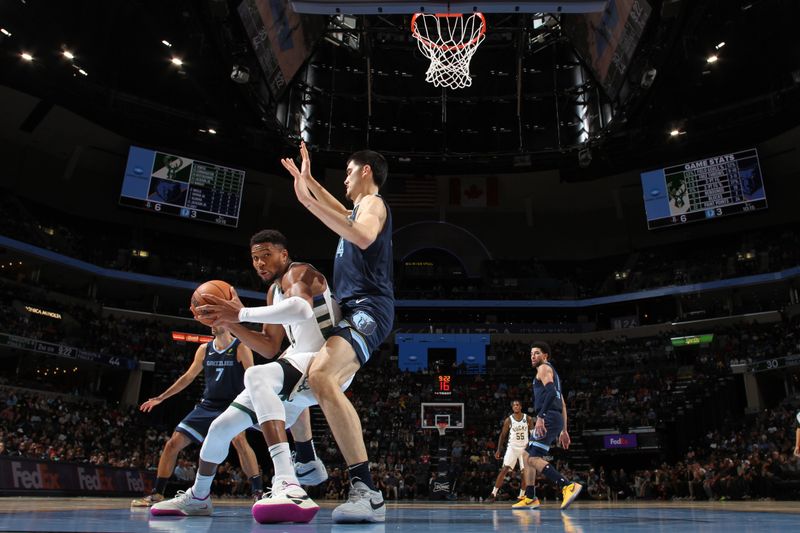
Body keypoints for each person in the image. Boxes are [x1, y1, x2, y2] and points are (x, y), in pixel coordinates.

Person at [151, 230, 342, 523]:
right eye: (255, 258)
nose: (260, 263)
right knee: (220, 427)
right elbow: (268, 346)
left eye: (267, 255)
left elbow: (302, 309)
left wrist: (240, 314)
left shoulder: (299, 272)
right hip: (298, 366)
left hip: (328, 362)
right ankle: (200, 496)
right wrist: (228, 319)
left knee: (257, 376)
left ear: (284, 254)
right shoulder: (273, 292)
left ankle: (288, 482)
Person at [281, 141, 394, 523]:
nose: (344, 179)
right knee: (296, 372)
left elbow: (361, 235)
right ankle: (306, 458)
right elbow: (342, 213)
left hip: (369, 309)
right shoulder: (357, 209)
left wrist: (308, 202)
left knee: (320, 375)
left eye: (347, 172)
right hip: (348, 309)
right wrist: (309, 182)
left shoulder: (374, 205)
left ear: (366, 171)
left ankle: (367, 491)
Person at [131, 326, 261, 507]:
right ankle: (157, 493)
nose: (213, 325)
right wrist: (161, 397)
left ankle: (258, 492)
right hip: (208, 405)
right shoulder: (204, 349)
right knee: (173, 443)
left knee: (239, 440)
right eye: (211, 321)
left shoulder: (240, 347)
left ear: (227, 322)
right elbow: (188, 377)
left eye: (216, 319)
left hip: (232, 404)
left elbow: (254, 378)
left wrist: (256, 405)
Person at [513, 342, 582, 510]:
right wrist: (564, 430)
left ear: (545, 356)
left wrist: (541, 417)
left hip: (548, 416)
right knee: (525, 454)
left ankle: (567, 485)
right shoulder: (553, 374)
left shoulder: (543, 369)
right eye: (531, 354)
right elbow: (563, 404)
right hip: (555, 416)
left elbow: (551, 394)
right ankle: (530, 497)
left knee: (532, 458)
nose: (533, 356)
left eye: (536, 353)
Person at [488, 400, 532, 502]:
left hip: (524, 448)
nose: (515, 407)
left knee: (524, 473)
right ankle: (493, 494)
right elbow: (503, 435)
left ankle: (521, 496)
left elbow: (533, 434)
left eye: (517, 405)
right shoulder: (509, 420)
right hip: (512, 447)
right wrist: (499, 450)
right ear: (512, 408)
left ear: (520, 406)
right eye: (514, 405)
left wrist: (532, 448)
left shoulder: (528, 419)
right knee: (504, 470)